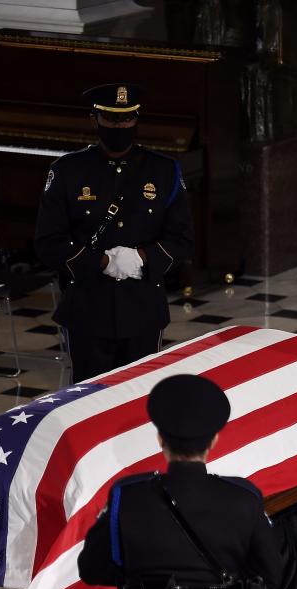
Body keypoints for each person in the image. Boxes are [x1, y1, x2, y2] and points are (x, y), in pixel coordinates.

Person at [78, 373, 284, 589]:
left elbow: (91, 569)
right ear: (215, 439)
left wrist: (139, 576)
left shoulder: (127, 497)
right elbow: (272, 573)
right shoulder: (242, 499)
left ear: (160, 439)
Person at [35, 83, 193, 382]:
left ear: (136, 119)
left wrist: (142, 258)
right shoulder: (67, 171)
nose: (120, 125)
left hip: (143, 305)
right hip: (88, 305)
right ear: (94, 120)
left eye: (127, 118)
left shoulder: (163, 170)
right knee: (88, 397)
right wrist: (103, 263)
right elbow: (48, 242)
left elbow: (182, 238)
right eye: (111, 119)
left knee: (139, 396)